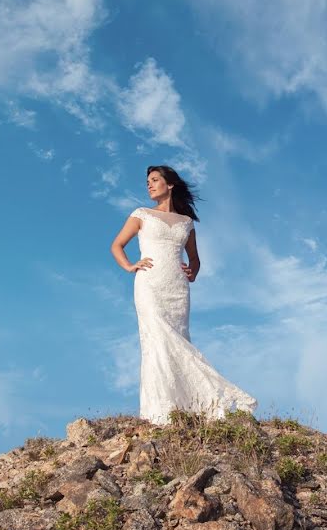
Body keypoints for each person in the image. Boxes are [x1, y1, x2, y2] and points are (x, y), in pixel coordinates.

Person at [110, 165, 258, 425]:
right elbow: (116, 245)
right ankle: (159, 413)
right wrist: (130, 266)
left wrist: (192, 273)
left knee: (178, 339)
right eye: (148, 181)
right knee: (157, 340)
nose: (149, 185)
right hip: (149, 285)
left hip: (177, 289)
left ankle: (186, 407)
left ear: (170, 185)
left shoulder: (186, 223)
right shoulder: (141, 214)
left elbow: (195, 260)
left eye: (155, 180)